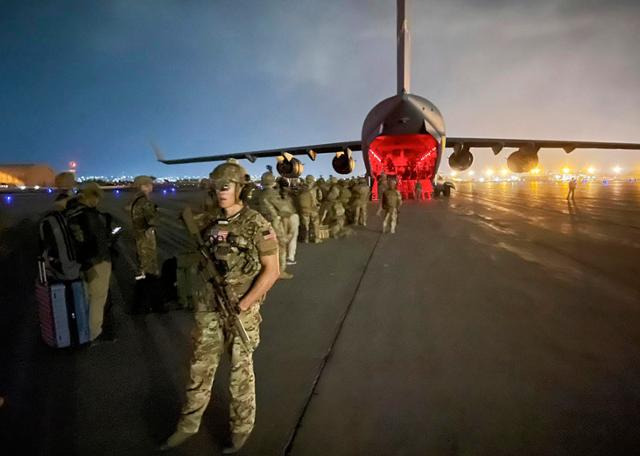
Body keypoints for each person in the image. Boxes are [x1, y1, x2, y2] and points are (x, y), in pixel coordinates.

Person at [161, 160, 280, 454]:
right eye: (217, 187)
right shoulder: (210, 221)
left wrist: (245, 304)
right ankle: (188, 425)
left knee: (240, 374)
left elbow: (273, 270)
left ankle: (241, 430)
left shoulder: (256, 224)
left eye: (226, 187)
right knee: (199, 369)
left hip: (241, 310)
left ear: (240, 189)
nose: (221, 192)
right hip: (209, 308)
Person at [65, 183, 114, 341]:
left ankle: (83, 331)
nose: (98, 202)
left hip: (79, 263)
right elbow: (98, 241)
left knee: (85, 298)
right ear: (92, 197)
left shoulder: (71, 212)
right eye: (97, 198)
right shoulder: (90, 215)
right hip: (97, 261)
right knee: (98, 299)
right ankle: (94, 334)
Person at [256, 172, 293, 279]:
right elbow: (285, 209)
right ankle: (279, 271)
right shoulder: (272, 194)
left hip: (261, 223)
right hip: (273, 224)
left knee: (264, 246)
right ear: (273, 182)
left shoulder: (258, 193)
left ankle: (264, 270)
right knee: (280, 246)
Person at [130, 176, 159, 280]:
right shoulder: (145, 201)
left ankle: (144, 280)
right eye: (150, 184)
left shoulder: (137, 199)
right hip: (146, 236)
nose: (152, 186)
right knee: (149, 263)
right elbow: (152, 220)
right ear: (143, 186)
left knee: (142, 260)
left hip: (139, 235)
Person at [297, 175, 322, 243]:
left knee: (305, 224)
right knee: (315, 223)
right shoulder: (316, 188)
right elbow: (320, 197)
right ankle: (316, 238)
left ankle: (306, 238)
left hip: (304, 208)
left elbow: (298, 198)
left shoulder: (301, 188)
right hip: (314, 208)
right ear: (313, 180)